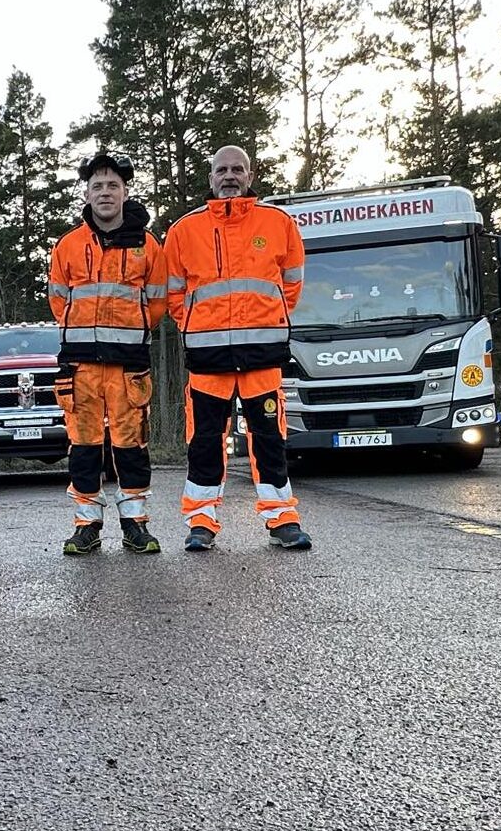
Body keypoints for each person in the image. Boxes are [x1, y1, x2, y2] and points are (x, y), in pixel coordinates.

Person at [163, 145, 312, 552]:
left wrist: (269, 319)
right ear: (210, 178)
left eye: (237, 169)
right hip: (208, 357)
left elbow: (291, 284)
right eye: (222, 170)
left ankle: (282, 518)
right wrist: (196, 324)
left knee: (269, 438)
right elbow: (173, 293)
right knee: (205, 441)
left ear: (250, 176)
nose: (229, 176)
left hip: (262, 355)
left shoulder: (278, 223)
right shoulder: (184, 230)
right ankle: (201, 521)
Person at [48, 150, 166, 555]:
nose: (104, 192)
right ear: (87, 193)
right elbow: (58, 299)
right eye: (97, 185)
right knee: (83, 447)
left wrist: (130, 332)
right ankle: (86, 525)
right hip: (80, 365)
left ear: (125, 192)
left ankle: (135, 524)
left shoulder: (148, 246)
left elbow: (158, 302)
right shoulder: (68, 245)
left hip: (128, 365)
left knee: (131, 446)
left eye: (112, 185)